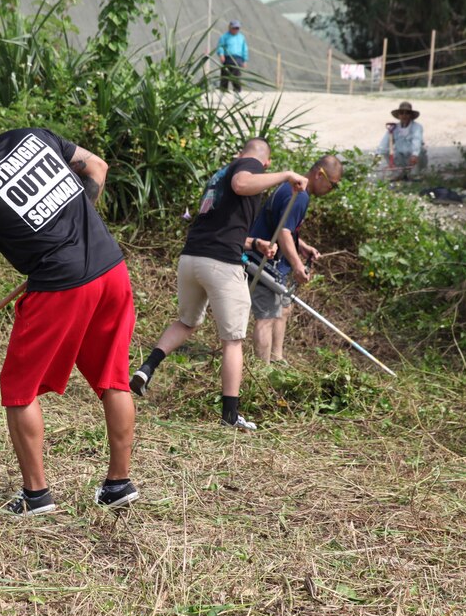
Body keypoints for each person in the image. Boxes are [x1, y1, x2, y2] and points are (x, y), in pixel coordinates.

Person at [0, 108, 139, 515]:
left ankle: (36, 496)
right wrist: (74, 221)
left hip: (60, 286)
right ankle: (118, 485)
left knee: (19, 389)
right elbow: (97, 167)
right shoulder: (32, 136)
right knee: (114, 378)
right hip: (111, 270)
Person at [130, 138, 309, 429]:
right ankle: (230, 415)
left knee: (186, 323)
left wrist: (256, 243)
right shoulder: (248, 166)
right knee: (233, 340)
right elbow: (243, 183)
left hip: (191, 259)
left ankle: (146, 369)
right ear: (266, 163)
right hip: (221, 264)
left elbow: (223, 225)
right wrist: (286, 175)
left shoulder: (219, 177)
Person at [248, 155, 344, 364]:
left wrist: (302, 247)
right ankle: (262, 370)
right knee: (266, 317)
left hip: (276, 263)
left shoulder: (295, 189)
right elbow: (282, 232)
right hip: (263, 260)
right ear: (320, 174)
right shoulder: (298, 195)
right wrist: (298, 266)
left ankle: (277, 359)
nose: (332, 190)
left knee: (284, 308)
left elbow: (285, 228)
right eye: (333, 185)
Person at [376, 101, 426, 180]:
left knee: (421, 151)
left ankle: (415, 174)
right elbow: (384, 142)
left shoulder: (417, 127)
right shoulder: (394, 127)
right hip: (401, 157)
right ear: (398, 115)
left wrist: (415, 154)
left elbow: (417, 140)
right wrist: (377, 154)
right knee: (387, 151)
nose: (404, 115)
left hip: (413, 157)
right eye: (401, 113)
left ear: (411, 115)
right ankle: (398, 173)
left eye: (407, 113)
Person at [216, 20, 248, 93]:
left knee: (236, 77)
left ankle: (237, 93)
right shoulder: (224, 37)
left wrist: (245, 60)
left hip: (238, 59)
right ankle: (223, 92)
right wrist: (221, 54)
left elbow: (244, 49)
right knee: (225, 77)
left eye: (237, 28)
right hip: (227, 58)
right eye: (234, 28)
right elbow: (220, 46)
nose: (236, 30)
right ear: (230, 27)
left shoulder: (241, 37)